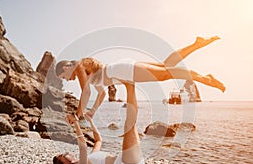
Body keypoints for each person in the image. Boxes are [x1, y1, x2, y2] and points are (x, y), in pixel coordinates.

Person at [55, 36, 225, 119]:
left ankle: (205, 78)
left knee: (166, 73)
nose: (67, 80)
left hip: (122, 71)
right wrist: (92, 111)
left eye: (64, 76)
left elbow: (86, 93)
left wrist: (77, 115)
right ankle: (196, 44)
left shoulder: (78, 67)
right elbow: (101, 94)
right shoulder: (87, 71)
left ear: (65, 67)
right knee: (166, 66)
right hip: (121, 69)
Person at [46, 107, 143, 164]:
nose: (66, 152)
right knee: (130, 123)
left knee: (131, 123)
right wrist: (76, 123)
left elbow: (98, 141)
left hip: (125, 161)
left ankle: (130, 86)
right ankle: (130, 86)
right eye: (63, 155)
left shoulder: (89, 157)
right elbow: (83, 147)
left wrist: (91, 121)